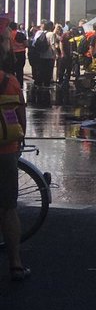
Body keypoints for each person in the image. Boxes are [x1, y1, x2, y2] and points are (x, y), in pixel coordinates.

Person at [0, 30, 28, 280]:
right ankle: (16, 264)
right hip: (6, 149)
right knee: (9, 208)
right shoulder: (10, 81)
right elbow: (20, 116)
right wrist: (21, 140)